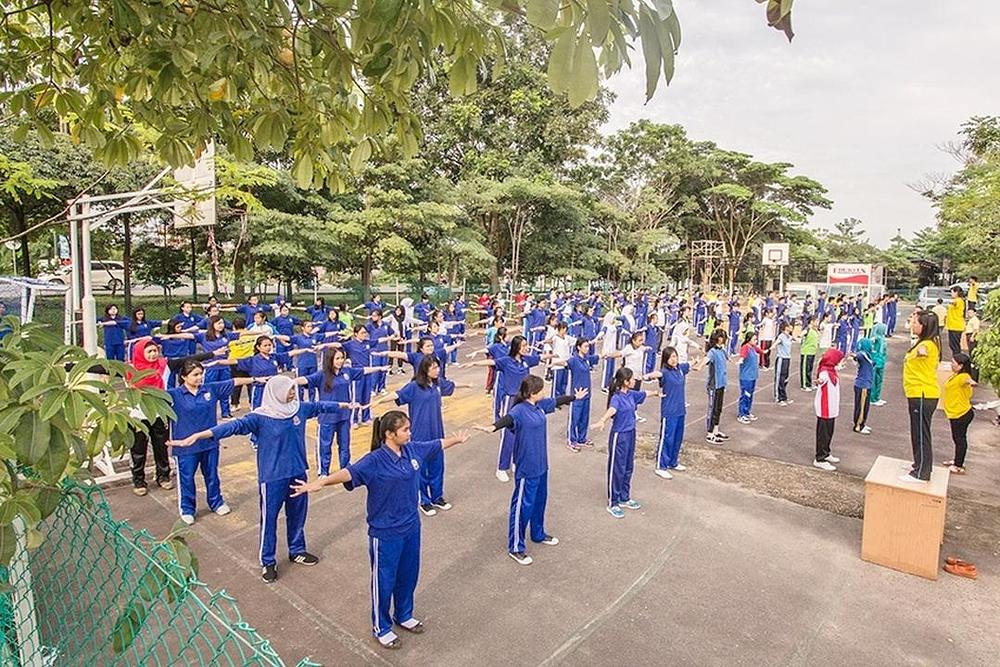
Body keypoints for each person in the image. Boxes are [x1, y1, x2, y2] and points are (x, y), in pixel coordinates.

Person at [290, 412, 471, 649]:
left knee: (408, 575)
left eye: (409, 428)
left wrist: (456, 440)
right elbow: (349, 474)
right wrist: (320, 483)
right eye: (405, 429)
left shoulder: (412, 450)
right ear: (389, 434)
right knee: (384, 581)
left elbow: (436, 445)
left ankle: (404, 615)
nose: (409, 433)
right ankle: (382, 627)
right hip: (385, 533)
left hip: (411, 528)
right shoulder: (374, 461)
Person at [170, 375, 355, 584]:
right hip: (272, 477)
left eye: (294, 389)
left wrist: (344, 404)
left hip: (297, 473)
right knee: (269, 519)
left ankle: (297, 550)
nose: (293, 393)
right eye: (289, 390)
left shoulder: (298, 409)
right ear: (276, 392)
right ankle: (268, 560)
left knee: (297, 516)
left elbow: (320, 406)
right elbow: (230, 427)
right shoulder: (259, 417)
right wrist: (199, 436)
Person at [474, 376, 586, 565]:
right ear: (532, 393)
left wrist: (575, 397)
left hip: (541, 463)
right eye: (541, 390)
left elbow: (556, 401)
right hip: (527, 466)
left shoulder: (539, 405)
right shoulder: (519, 410)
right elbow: (506, 420)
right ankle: (516, 546)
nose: (544, 392)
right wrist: (490, 428)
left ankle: (538, 533)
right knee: (522, 506)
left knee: (539, 501)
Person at [374, 356, 470, 516]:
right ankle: (424, 501)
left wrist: (467, 384)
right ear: (425, 369)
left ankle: (437, 497)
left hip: (437, 433)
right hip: (420, 435)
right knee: (421, 470)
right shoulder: (414, 387)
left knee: (438, 467)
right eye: (433, 368)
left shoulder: (438, 384)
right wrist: (378, 401)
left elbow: (452, 385)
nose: (437, 370)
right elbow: (397, 395)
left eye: (437, 367)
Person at [125, 339, 222, 496]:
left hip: (160, 413)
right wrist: (71, 366)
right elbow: (103, 369)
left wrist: (212, 354)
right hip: (137, 415)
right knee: (138, 449)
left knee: (162, 446)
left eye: (155, 351)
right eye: (148, 351)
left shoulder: (165, 365)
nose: (152, 354)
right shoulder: (129, 369)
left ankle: (163, 476)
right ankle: (138, 480)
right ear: (139, 353)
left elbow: (187, 360)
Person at [167, 360, 259, 524]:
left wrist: (255, 379)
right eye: (195, 375)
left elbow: (234, 381)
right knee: (186, 478)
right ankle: (187, 509)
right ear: (183, 377)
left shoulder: (210, 389)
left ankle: (216, 502)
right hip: (186, 447)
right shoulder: (174, 395)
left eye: (201, 374)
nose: (199, 378)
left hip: (209, 443)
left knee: (211, 475)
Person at [461, 335, 546, 482]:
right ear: (516, 347)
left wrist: (557, 354)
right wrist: (473, 363)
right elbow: (491, 361)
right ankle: (501, 467)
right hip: (510, 400)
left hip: (524, 400)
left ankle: (515, 461)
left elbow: (542, 357)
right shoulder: (506, 361)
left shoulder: (527, 361)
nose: (526, 348)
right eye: (524, 345)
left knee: (522, 433)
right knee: (509, 435)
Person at [302, 347, 387, 475]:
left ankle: (345, 468)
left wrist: (380, 368)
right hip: (327, 417)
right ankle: (323, 472)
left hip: (344, 416)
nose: (340, 361)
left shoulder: (347, 371)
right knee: (325, 446)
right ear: (330, 359)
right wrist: (288, 382)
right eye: (337, 358)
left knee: (344, 446)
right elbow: (305, 380)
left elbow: (363, 370)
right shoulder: (322, 375)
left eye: (342, 358)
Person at [593, 368, 653, 519]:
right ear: (625, 382)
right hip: (619, 436)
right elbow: (612, 410)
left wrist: (658, 393)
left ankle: (624, 497)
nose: (634, 381)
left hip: (631, 433)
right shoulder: (617, 398)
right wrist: (602, 420)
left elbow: (645, 394)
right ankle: (613, 502)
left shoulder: (631, 394)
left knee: (628, 467)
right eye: (632, 379)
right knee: (617, 468)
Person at [646, 347, 702, 478]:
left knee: (677, 438)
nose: (674, 359)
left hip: (680, 410)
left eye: (675, 356)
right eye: (671, 357)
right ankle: (661, 465)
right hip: (669, 411)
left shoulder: (680, 369)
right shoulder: (664, 372)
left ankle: (673, 462)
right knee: (667, 438)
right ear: (666, 359)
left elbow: (689, 364)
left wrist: (695, 362)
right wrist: (645, 376)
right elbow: (656, 374)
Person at [901, 310, 941, 482]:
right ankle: (919, 464)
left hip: (923, 394)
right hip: (917, 393)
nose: (912, 325)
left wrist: (921, 351)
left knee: (921, 433)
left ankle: (922, 473)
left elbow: (924, 351)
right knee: (917, 432)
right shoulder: (922, 342)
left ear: (924, 326)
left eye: (916, 322)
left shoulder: (927, 345)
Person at [942, 353, 976, 474]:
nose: (951, 364)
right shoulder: (956, 375)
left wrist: (971, 382)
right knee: (957, 438)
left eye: (953, 363)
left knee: (960, 439)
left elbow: (968, 380)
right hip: (955, 413)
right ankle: (957, 460)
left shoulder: (963, 376)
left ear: (961, 366)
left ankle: (958, 465)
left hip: (961, 414)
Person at [813, 348, 845, 471]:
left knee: (829, 432)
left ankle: (826, 452)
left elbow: (836, 368)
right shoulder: (825, 372)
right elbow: (821, 380)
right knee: (823, 433)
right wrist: (819, 381)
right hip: (824, 407)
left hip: (831, 407)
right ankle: (819, 458)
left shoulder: (831, 370)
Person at [566, 337, 598, 451]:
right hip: (577, 394)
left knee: (584, 417)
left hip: (587, 393)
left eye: (588, 346)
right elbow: (564, 362)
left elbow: (601, 356)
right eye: (585, 346)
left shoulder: (587, 359)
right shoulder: (574, 360)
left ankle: (582, 438)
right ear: (578, 347)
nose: (587, 348)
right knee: (575, 417)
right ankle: (572, 440)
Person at [705, 328, 730, 444]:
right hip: (714, 385)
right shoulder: (712, 352)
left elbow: (728, 358)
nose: (724, 339)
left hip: (721, 383)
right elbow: (706, 359)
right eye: (722, 337)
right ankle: (710, 434)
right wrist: (697, 365)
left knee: (718, 409)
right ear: (717, 339)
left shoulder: (722, 350)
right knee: (712, 409)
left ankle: (716, 430)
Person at [736, 331, 761, 425]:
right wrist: (740, 360)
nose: (756, 340)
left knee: (750, 395)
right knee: (745, 395)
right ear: (749, 339)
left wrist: (767, 350)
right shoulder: (745, 347)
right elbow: (742, 355)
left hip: (752, 376)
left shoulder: (753, 347)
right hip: (746, 377)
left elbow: (760, 351)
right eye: (754, 339)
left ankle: (747, 412)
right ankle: (741, 414)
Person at [852, 337, 874, 435]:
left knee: (865, 406)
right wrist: (854, 355)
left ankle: (862, 423)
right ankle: (858, 425)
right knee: (861, 406)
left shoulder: (868, 355)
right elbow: (857, 356)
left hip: (866, 384)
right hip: (862, 385)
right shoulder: (863, 354)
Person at [773, 321, 793, 405]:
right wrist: (772, 346)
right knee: (779, 378)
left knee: (785, 378)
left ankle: (784, 396)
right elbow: (777, 342)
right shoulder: (781, 336)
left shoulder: (789, 337)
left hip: (787, 358)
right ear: (786, 327)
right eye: (789, 326)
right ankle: (778, 397)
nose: (791, 327)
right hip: (781, 359)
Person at [870, 323, 888, 406]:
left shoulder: (883, 338)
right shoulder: (876, 338)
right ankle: (873, 398)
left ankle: (877, 397)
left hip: (881, 361)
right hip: (876, 361)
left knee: (879, 380)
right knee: (874, 380)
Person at [944, 286, 966, 358]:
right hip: (952, 325)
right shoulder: (957, 300)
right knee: (952, 344)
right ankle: (956, 358)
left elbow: (955, 303)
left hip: (956, 326)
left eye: (952, 292)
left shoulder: (959, 300)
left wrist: (952, 302)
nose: (951, 294)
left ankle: (957, 359)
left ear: (956, 292)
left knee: (955, 345)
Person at [799, 316, 819, 391]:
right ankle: (804, 385)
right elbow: (802, 334)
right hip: (806, 352)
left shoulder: (815, 330)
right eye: (816, 321)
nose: (817, 323)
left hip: (812, 352)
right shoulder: (808, 329)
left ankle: (809, 383)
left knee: (810, 369)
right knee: (805, 369)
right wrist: (800, 336)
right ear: (812, 322)